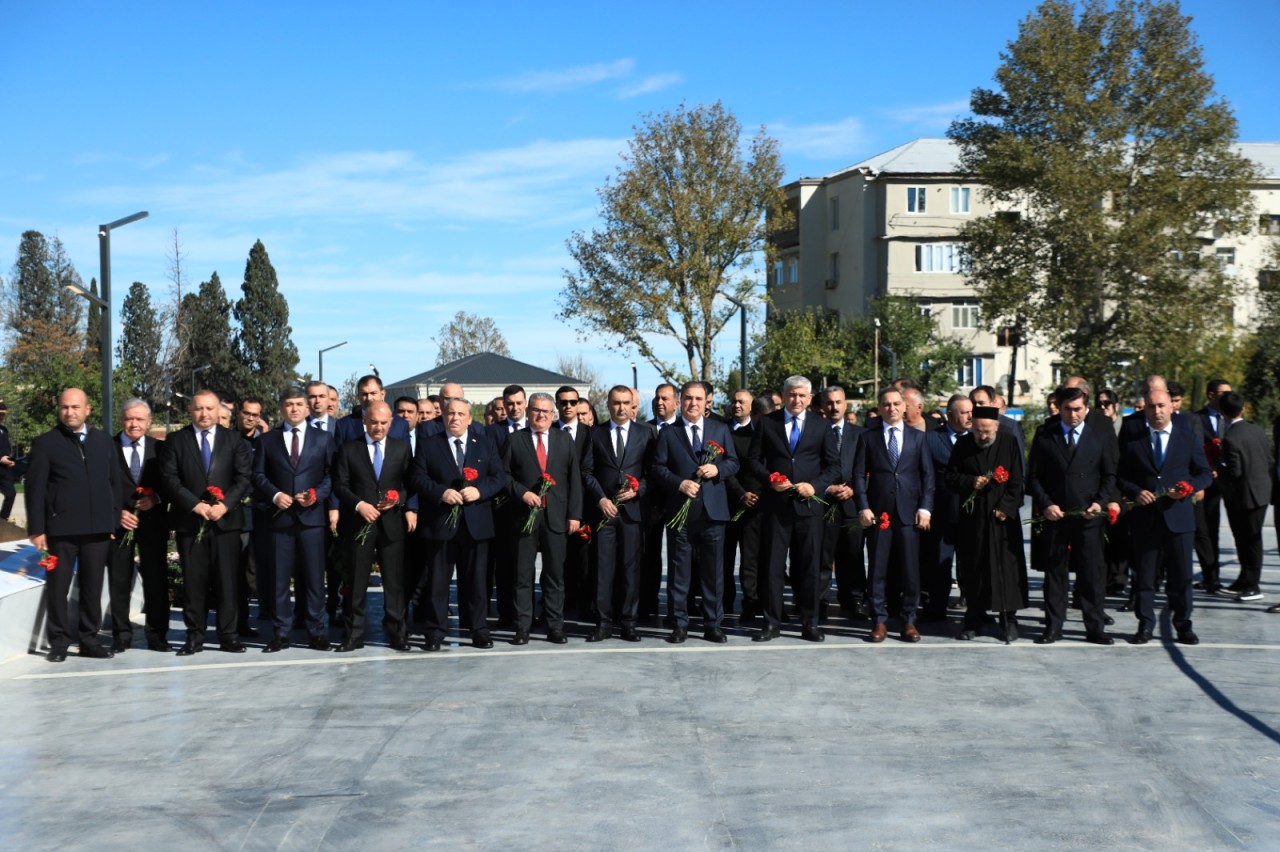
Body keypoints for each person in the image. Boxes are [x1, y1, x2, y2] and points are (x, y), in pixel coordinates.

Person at [25, 388, 123, 662]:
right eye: (65, 407)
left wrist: (113, 521)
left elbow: (114, 484)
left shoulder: (104, 442)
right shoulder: (45, 443)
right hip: (61, 531)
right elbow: (35, 490)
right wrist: (37, 529)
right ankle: (58, 642)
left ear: (87, 410)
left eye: (75, 407)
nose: (70, 412)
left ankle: (89, 640)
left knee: (92, 588)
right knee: (58, 588)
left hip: (98, 531)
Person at [159, 389, 254, 655]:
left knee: (228, 583)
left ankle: (228, 636)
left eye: (209, 409)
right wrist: (195, 504)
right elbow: (169, 479)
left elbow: (243, 477)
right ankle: (194, 637)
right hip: (190, 524)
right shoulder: (176, 440)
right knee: (194, 583)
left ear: (218, 411)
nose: (204, 414)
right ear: (190, 411)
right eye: (199, 409)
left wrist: (225, 505)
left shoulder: (233, 440)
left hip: (226, 523)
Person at [1115, 389, 1212, 645]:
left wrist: (1188, 487)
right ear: (1144, 409)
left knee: (1182, 577)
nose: (1156, 411)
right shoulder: (1132, 441)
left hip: (1178, 518)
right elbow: (1119, 477)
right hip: (1145, 518)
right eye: (1151, 407)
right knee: (1144, 576)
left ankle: (1183, 625)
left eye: (1161, 406)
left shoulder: (1187, 438)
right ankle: (1145, 625)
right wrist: (1136, 492)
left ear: (1171, 407)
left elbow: (1204, 473)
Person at [748, 376, 839, 642]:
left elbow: (833, 466)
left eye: (801, 395)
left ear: (810, 398)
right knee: (773, 567)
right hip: (776, 508)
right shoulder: (767, 422)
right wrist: (770, 480)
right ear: (784, 396)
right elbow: (753, 460)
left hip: (809, 508)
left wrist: (815, 485)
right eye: (791, 395)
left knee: (809, 568)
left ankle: (810, 623)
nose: (796, 400)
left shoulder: (822, 426)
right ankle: (771, 623)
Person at [1026, 386, 1117, 645]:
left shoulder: (1099, 434)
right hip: (1056, 516)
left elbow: (1110, 474)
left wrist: (1100, 502)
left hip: (1089, 516)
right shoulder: (1046, 434)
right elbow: (1033, 477)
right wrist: (1046, 504)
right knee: (1055, 574)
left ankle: (1094, 627)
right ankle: (1053, 626)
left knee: (1091, 574)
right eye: (1067, 409)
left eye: (1078, 409)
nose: (1072, 414)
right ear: (1059, 407)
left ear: (1086, 409)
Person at [411, 398, 504, 650]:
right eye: (450, 413)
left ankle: (478, 629)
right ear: (443, 417)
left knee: (476, 581)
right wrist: (441, 492)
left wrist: (480, 491)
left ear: (469, 418)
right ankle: (435, 631)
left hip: (476, 522)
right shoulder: (430, 445)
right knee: (438, 581)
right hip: (441, 521)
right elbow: (418, 477)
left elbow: (498, 477)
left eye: (461, 414)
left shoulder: (485, 444)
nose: (455, 418)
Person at [651, 381, 738, 643]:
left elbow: (734, 461)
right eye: (688, 398)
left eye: (699, 399)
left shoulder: (720, 429)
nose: (693, 404)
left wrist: (718, 470)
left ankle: (713, 624)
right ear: (680, 401)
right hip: (681, 512)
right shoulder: (669, 433)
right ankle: (679, 623)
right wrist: (679, 483)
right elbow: (657, 468)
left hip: (713, 513)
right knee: (679, 572)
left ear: (706, 402)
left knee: (713, 572)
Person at [252, 387, 334, 652]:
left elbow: (331, 475)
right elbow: (258, 475)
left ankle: (316, 631)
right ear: (281, 408)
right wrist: (275, 495)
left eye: (300, 403)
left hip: (312, 520)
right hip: (280, 520)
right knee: (279, 579)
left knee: (313, 579)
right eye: (289, 404)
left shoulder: (323, 438)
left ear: (308, 407)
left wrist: (316, 495)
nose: (295, 408)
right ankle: (281, 633)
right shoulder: (267, 440)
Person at [332, 401, 417, 651]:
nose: (378, 427)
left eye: (383, 423)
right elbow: (340, 484)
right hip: (359, 523)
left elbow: (410, 483)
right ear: (364, 422)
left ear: (391, 423)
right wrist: (359, 505)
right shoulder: (349, 449)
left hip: (392, 525)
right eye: (374, 422)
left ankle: (397, 633)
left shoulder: (402, 449)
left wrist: (399, 501)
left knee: (394, 583)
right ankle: (354, 635)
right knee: (356, 582)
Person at [853, 387, 935, 642]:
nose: (892, 408)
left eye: (896, 403)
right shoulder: (868, 438)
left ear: (904, 406)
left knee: (911, 570)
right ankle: (879, 620)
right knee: (877, 569)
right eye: (886, 404)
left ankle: (909, 620)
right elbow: (857, 475)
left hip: (910, 513)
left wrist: (925, 508)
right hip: (879, 513)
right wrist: (863, 506)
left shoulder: (918, 438)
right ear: (879, 407)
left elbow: (927, 475)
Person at [502, 392, 582, 644]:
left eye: (546, 411)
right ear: (528, 412)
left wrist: (575, 515)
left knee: (554, 576)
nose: (541, 415)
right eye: (536, 410)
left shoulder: (564, 440)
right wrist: (522, 493)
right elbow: (503, 476)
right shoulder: (515, 440)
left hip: (556, 517)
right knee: (522, 575)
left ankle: (555, 626)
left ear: (553, 414)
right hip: (523, 517)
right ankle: (523, 627)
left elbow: (574, 480)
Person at [944, 407, 1027, 642]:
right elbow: (950, 477)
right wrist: (971, 481)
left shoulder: (1009, 442)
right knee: (974, 569)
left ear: (997, 427)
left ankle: (1008, 620)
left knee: (1006, 571)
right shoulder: (963, 445)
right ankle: (974, 620)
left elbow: (1018, 480)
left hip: (1003, 521)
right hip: (974, 519)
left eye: (987, 431)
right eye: (978, 431)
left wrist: (1007, 508)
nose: (982, 436)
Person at [581, 385, 653, 642]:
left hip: (633, 513)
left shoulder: (646, 433)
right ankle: (603, 623)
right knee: (603, 569)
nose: (621, 408)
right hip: (604, 513)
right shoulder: (595, 434)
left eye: (625, 403)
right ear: (608, 405)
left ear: (632, 404)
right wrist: (600, 498)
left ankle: (629, 623)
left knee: (630, 570)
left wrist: (638, 491)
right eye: (616, 403)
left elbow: (651, 472)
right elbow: (586, 471)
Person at [107, 399, 171, 653]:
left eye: (139, 419)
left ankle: (157, 634)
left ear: (149, 422)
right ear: (122, 420)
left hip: (153, 524)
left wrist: (156, 498)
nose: (134, 424)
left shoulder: (162, 449)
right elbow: (99, 487)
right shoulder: (108, 447)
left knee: (156, 580)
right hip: (120, 525)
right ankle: (121, 635)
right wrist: (116, 513)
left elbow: (173, 485)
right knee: (119, 581)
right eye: (129, 419)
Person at [919, 394, 971, 622]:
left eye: (971, 411)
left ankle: (975, 609)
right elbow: (924, 476)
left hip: (970, 514)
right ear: (950, 415)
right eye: (964, 412)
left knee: (970, 563)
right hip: (941, 513)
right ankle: (936, 608)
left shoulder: (978, 438)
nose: (970, 416)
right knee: (939, 564)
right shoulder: (930, 439)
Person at [820, 386, 866, 621]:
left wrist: (854, 489)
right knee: (822, 556)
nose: (834, 407)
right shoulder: (815, 431)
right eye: (829, 402)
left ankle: (854, 600)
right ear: (822, 405)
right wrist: (827, 487)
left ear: (845, 404)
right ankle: (820, 602)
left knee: (853, 555)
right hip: (823, 503)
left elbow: (867, 468)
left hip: (851, 503)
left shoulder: (860, 434)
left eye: (838, 402)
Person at [1217, 391, 1268, 602]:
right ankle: (1245, 578)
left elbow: (1234, 473)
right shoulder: (1257, 430)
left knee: (1249, 541)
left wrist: (1218, 469)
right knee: (1248, 540)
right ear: (1243, 409)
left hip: (1242, 497)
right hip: (1261, 492)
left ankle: (1253, 584)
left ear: (1222, 413)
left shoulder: (1230, 438)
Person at [639, 382, 679, 621]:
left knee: (680, 555)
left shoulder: (685, 430)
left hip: (678, 501)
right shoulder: (645, 430)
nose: (659, 402)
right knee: (649, 555)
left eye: (665, 398)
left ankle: (679, 605)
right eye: (656, 398)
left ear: (676, 402)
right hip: (651, 503)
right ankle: (648, 602)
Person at [723, 390, 763, 618]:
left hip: (753, 505)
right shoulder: (722, 429)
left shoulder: (759, 432)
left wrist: (752, 495)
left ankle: (750, 602)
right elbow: (723, 466)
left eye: (741, 402)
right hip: (728, 501)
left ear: (751, 406)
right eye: (734, 401)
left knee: (750, 557)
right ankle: (726, 601)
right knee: (724, 557)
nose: (736, 405)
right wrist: (740, 493)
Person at [1192, 379, 1231, 593]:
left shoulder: (1231, 419)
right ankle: (1210, 576)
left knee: (1214, 530)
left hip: (1224, 483)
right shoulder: (1197, 418)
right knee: (1203, 530)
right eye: (1223, 393)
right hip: (1202, 484)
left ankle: (1213, 576)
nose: (1227, 398)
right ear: (1211, 395)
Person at [334, 375, 411, 444]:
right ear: (358, 396)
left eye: (373, 393)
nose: (369, 398)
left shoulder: (401, 425)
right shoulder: (344, 425)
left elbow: (406, 457)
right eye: (364, 394)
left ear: (383, 394)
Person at [0, 401, 16, 520]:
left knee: (11, 494)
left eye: (3, 414)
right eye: (0, 413)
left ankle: (2, 521)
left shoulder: (4, 430)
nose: (2, 416)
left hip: (4, 471)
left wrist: (11, 459)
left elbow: (7, 448)